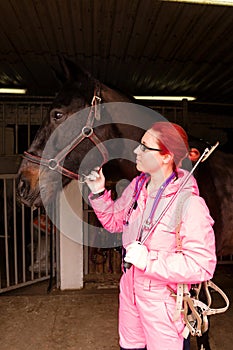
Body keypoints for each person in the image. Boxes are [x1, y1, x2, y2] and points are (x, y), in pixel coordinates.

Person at [85, 121, 216, 350]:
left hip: (164, 303)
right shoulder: (138, 189)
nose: (137, 151)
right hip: (130, 292)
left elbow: (202, 265)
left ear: (166, 157)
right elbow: (116, 222)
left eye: (145, 147)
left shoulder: (190, 204)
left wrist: (148, 260)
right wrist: (98, 192)